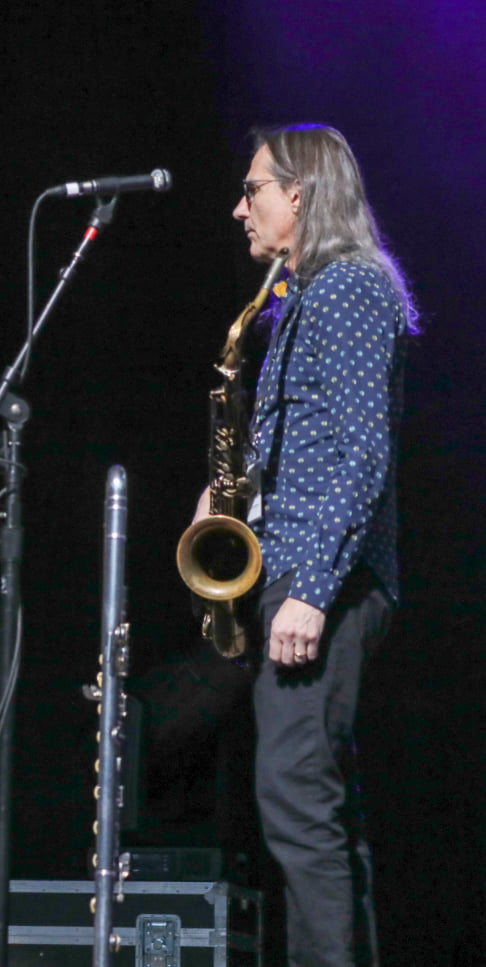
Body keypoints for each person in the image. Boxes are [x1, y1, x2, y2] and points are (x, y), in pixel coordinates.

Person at [211, 124, 413, 967]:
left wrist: (311, 588)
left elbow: (364, 454)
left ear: (300, 195)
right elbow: (319, 445)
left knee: (295, 803)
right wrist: (230, 493)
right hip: (301, 569)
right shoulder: (302, 301)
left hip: (321, 581)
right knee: (320, 810)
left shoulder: (349, 290)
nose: (239, 207)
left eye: (252, 188)